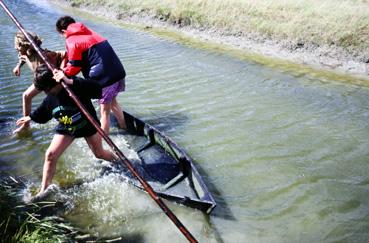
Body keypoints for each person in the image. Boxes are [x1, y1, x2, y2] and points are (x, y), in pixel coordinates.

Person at [16, 64, 117, 198]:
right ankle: (44, 190)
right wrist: (30, 117)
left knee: (99, 154)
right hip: (67, 126)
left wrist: (70, 81)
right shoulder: (51, 97)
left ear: (55, 83)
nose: (45, 92)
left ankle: (118, 161)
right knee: (50, 155)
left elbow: (97, 89)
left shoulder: (75, 85)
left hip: (87, 124)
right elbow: (42, 112)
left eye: (46, 89)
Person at [55, 15, 126, 134]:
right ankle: (124, 127)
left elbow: (74, 67)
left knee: (104, 113)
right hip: (118, 73)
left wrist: (62, 73)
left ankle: (104, 140)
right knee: (113, 102)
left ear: (63, 31)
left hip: (105, 79)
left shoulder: (71, 40)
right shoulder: (90, 32)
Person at [12, 31, 66, 134]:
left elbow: (64, 54)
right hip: (42, 81)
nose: (16, 49)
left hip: (52, 82)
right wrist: (18, 66)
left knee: (56, 103)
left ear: (25, 46)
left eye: (18, 46)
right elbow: (24, 58)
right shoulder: (27, 53)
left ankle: (65, 122)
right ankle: (26, 125)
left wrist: (62, 71)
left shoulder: (43, 55)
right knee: (26, 96)